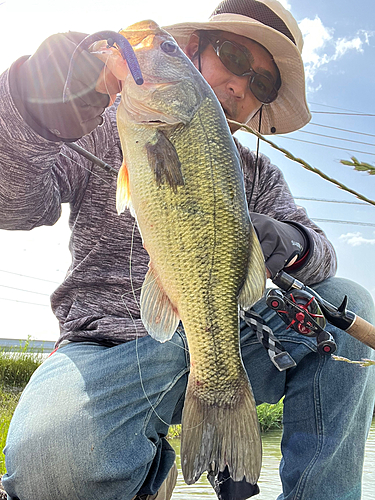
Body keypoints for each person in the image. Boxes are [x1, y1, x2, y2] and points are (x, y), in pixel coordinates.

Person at [1, 0, 374, 499]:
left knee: (350, 304)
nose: (241, 87)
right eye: (235, 58)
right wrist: (27, 113)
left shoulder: (259, 175)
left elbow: (323, 253)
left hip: (227, 340)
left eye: (260, 84)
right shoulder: (98, 123)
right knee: (49, 468)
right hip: (108, 345)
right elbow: (15, 207)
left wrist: (295, 243)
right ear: (194, 50)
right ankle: (150, 466)